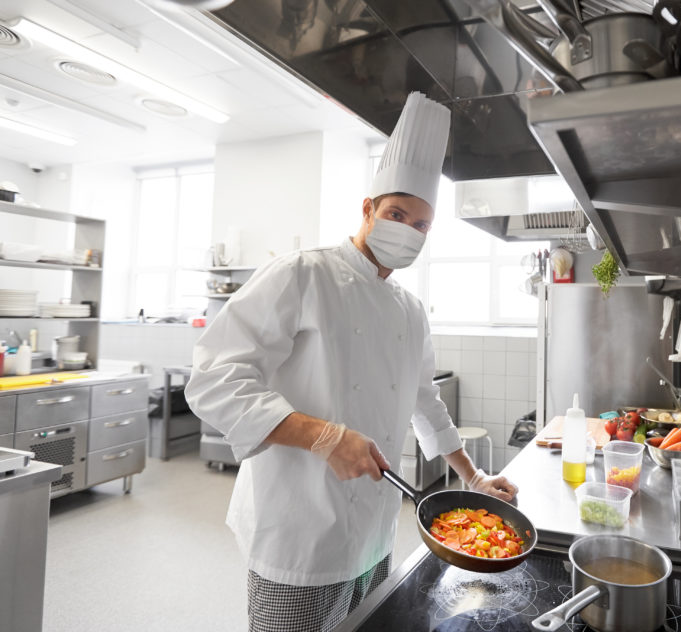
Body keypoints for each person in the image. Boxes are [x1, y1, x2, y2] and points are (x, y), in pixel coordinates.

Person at [185, 92, 518, 632]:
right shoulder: (301, 274)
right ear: (367, 209)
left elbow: (424, 401)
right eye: (396, 214)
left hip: (374, 532)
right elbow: (214, 379)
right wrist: (324, 437)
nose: (407, 231)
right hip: (298, 530)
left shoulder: (410, 309)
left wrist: (473, 476)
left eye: (421, 225)